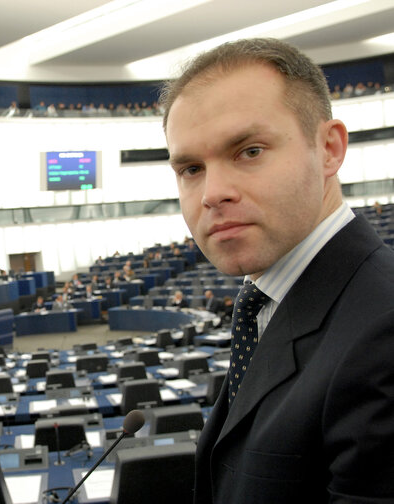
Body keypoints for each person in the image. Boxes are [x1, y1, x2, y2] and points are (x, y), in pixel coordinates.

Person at [162, 38, 394, 502]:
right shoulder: (268, 298)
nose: (213, 192)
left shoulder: (385, 331)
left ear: (328, 149)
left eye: (249, 151)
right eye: (191, 168)